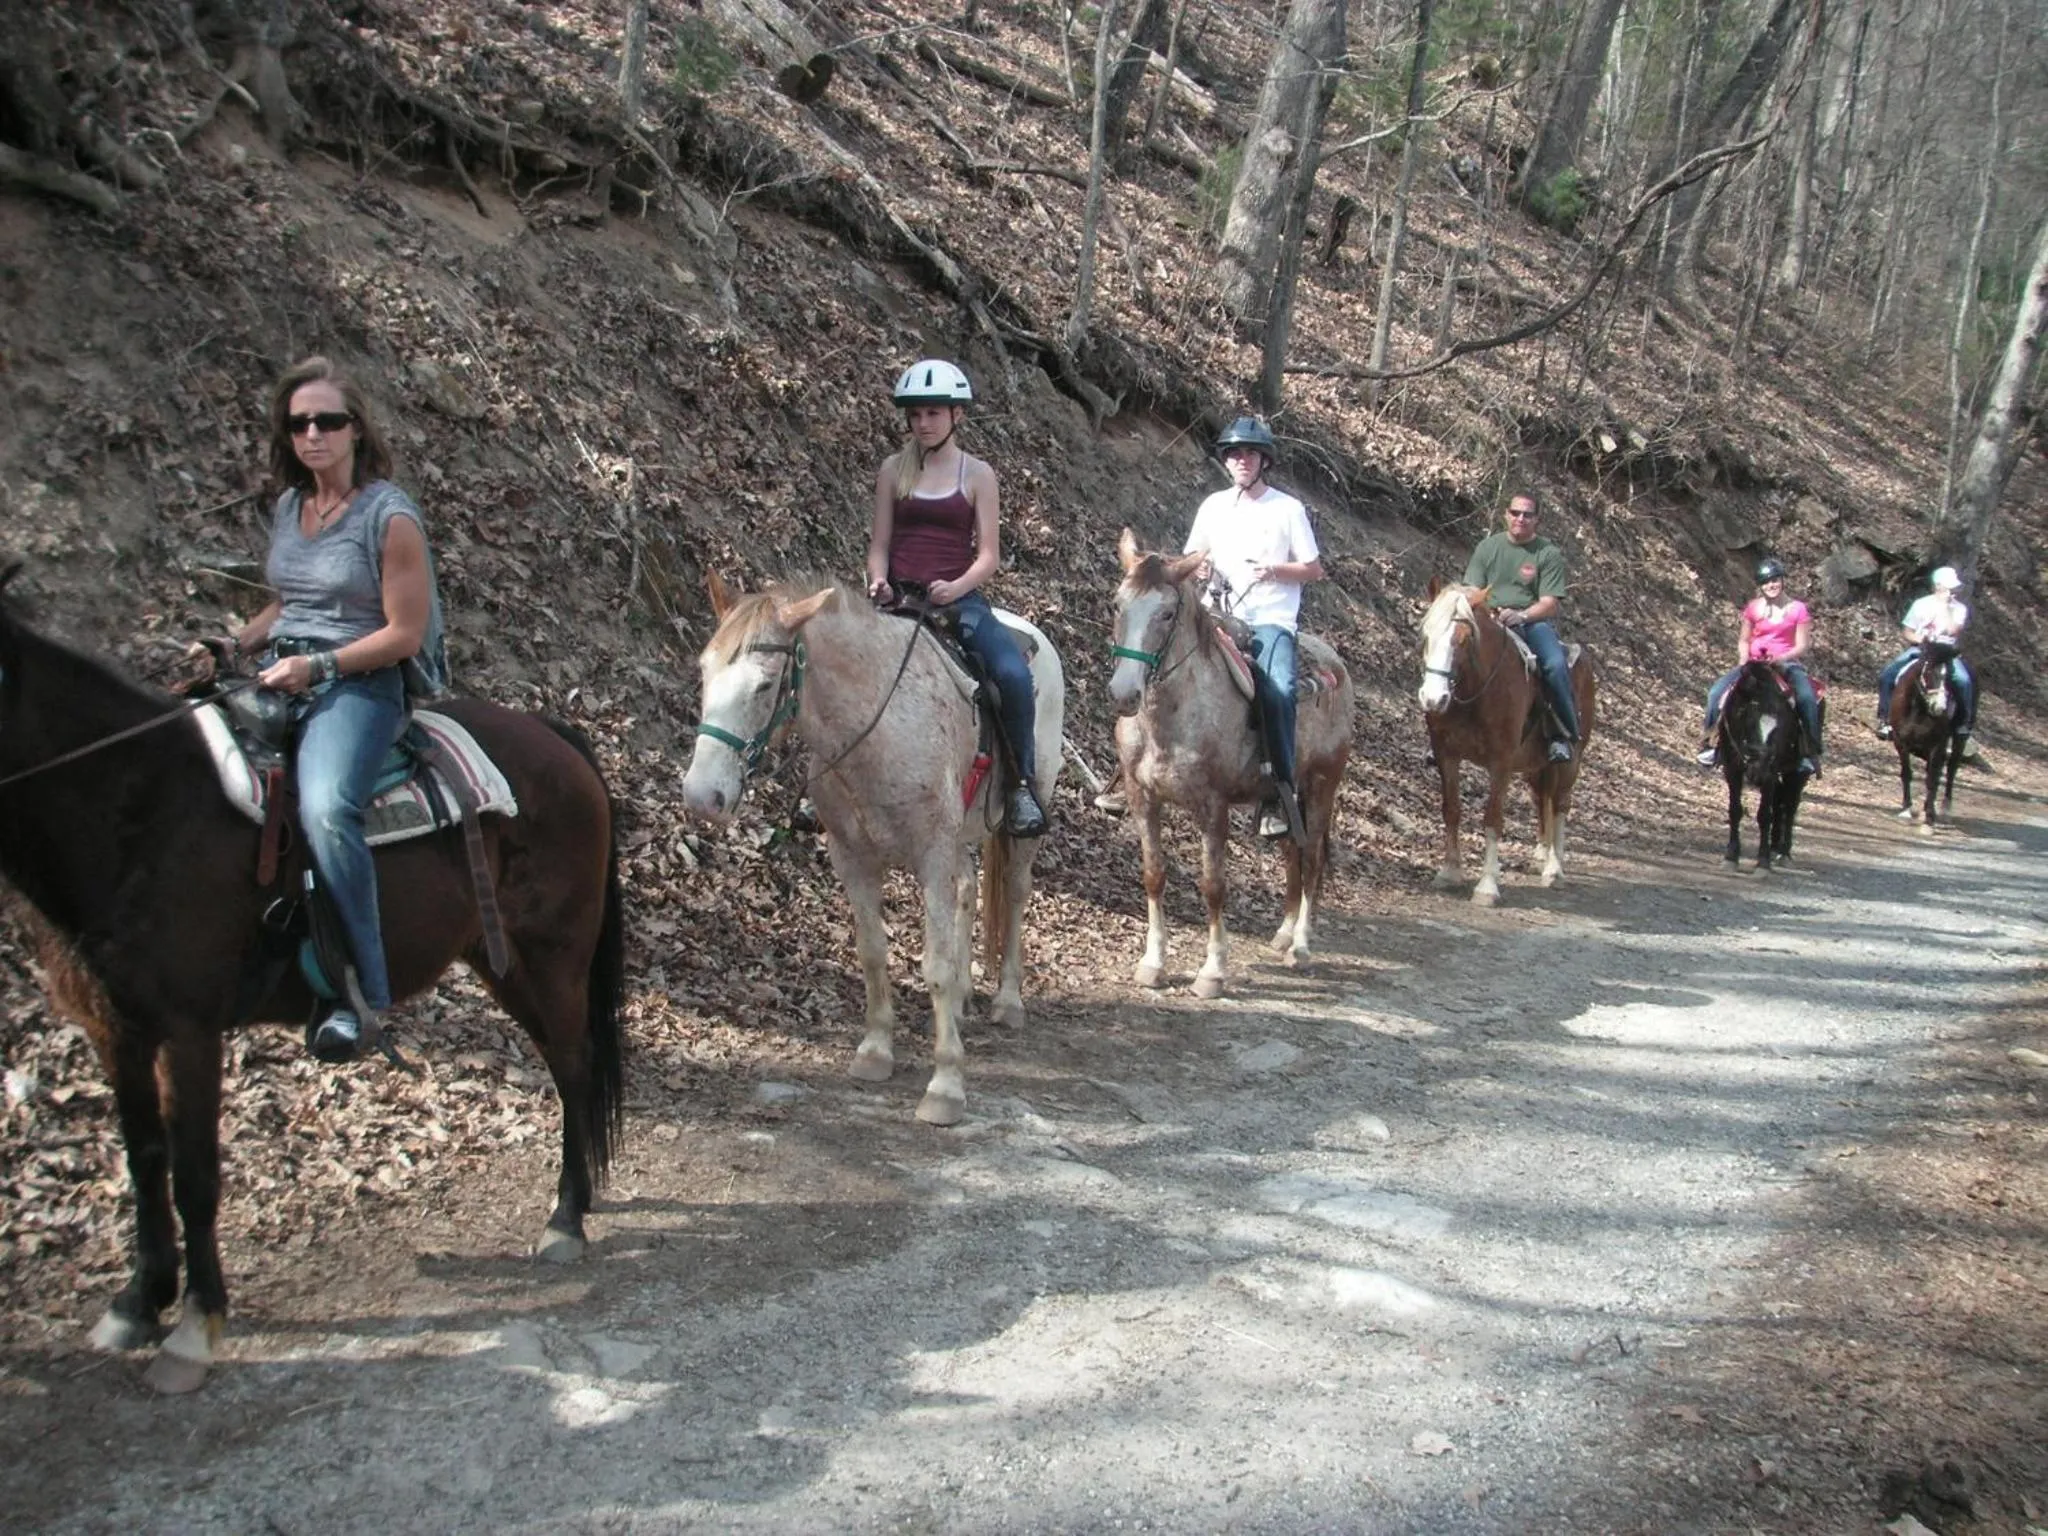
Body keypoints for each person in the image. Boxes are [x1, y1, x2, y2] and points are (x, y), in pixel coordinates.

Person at [228, 356, 434, 1063]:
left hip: (360, 681)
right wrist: (235, 639)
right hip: (281, 669)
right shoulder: (291, 508)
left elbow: (403, 632)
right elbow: (290, 600)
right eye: (298, 424)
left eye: (327, 421)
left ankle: (363, 992)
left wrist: (316, 665)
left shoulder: (390, 516)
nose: (312, 434)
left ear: (355, 430)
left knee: (323, 808)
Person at [866, 359, 1047, 837]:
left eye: (933, 414)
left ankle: (1021, 787)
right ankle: (825, 784)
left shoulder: (978, 475)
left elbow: (989, 555)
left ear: (956, 416)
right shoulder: (892, 471)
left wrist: (958, 587)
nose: (923, 424)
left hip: (957, 601)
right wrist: (878, 580)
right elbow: (879, 545)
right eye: (916, 415)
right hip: (898, 599)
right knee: (834, 664)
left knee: (1010, 675)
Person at [1183, 416, 1325, 840]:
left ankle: (1279, 790)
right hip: (1214, 613)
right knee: (1160, 663)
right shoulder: (1212, 505)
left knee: (1279, 691)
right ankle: (1133, 770)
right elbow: (1190, 556)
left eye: (1250, 453)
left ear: (1265, 460)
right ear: (1226, 461)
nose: (1241, 460)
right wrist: (1200, 567)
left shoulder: (1288, 509)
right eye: (1234, 453)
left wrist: (1277, 570)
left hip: (1268, 618)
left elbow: (1314, 569)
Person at [1462, 491, 1580, 762]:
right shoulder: (1488, 548)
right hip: (1489, 619)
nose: (1520, 519)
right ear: (1506, 514)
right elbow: (1472, 588)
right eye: (1515, 513)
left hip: (1532, 623)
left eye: (1527, 514)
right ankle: (1442, 732)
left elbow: (1550, 603)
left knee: (1554, 665)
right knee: (1453, 655)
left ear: (1537, 519)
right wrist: (1486, 612)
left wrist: (1522, 615)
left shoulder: (1547, 553)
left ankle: (1561, 733)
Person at [1696, 556, 1822, 775]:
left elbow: (1802, 645)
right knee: (1716, 693)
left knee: (1807, 699)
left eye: (1775, 580)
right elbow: (1744, 639)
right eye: (1766, 582)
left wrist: (1782, 658)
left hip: (1786, 664)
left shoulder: (1798, 609)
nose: (1771, 585)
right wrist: (1744, 659)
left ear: (1782, 580)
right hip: (1755, 663)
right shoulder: (1753, 608)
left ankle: (1810, 752)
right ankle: (1711, 745)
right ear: (1760, 586)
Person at [1875, 566, 1976, 742]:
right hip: (1921, 649)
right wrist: (1921, 639)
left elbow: (1953, 631)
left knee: (1963, 680)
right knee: (1888, 675)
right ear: (1938, 586)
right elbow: (1907, 631)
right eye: (1949, 588)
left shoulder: (1959, 609)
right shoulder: (1921, 604)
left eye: (1954, 589)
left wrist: (1946, 607)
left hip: (1946, 651)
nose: (1953, 592)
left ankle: (1962, 723)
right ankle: (1885, 719)